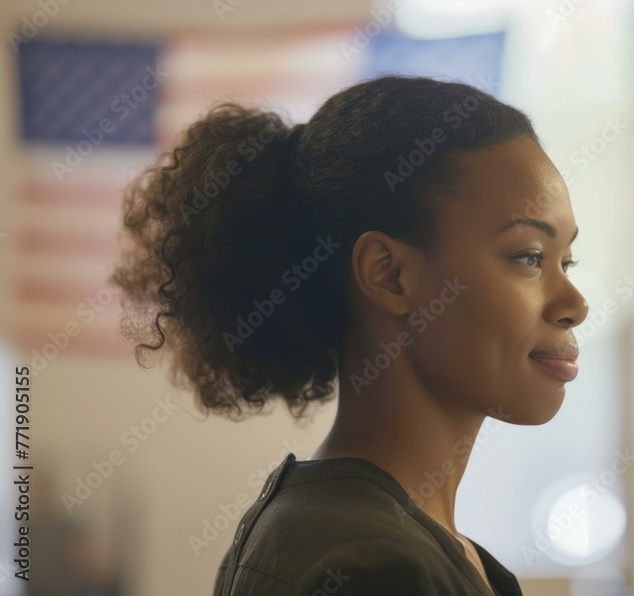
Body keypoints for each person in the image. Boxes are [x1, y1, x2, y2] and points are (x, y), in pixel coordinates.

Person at [108, 74, 589, 595]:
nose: (575, 305)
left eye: (567, 260)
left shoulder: (323, 525)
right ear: (388, 275)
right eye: (529, 257)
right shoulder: (376, 569)